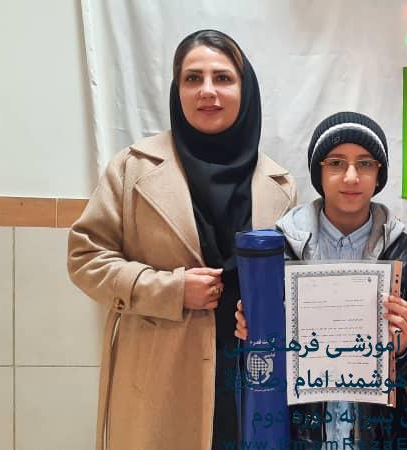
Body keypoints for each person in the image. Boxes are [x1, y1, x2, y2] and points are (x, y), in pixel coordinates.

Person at [67, 29, 296, 450]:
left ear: (245, 89)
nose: (207, 91)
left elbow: (290, 284)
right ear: (177, 91)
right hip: (161, 380)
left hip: (252, 379)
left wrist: (272, 313)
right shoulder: (133, 169)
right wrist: (170, 289)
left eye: (222, 78)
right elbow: (86, 259)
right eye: (193, 78)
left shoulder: (279, 186)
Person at [234, 111, 407, 448]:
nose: (351, 176)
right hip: (302, 432)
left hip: (378, 434)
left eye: (365, 164)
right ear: (318, 172)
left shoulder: (404, 250)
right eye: (335, 163)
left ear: (379, 173)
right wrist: (254, 331)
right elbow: (264, 366)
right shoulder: (280, 249)